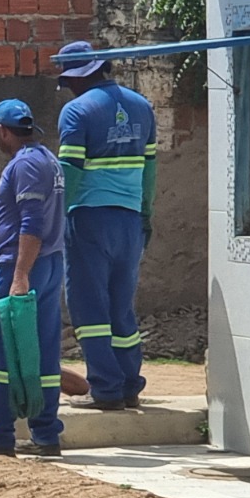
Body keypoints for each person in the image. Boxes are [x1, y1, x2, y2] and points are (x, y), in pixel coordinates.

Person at [0, 99, 66, 457]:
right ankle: (46, 434)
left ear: (4, 130)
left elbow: (31, 223)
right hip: (49, 264)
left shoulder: (26, 165)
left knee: (3, 350)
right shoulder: (48, 158)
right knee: (45, 350)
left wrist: (19, 276)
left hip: (21, 267)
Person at [55, 40, 157, 410]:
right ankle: (130, 385)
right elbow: (150, 170)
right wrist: (146, 215)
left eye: (68, 80)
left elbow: (70, 172)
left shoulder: (75, 112)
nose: (69, 87)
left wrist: (53, 222)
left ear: (78, 76)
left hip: (88, 218)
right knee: (121, 307)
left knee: (89, 309)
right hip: (130, 220)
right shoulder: (142, 106)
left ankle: (106, 389)